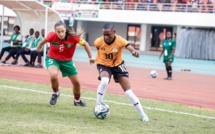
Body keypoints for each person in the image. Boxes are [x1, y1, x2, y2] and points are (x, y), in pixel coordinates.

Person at [94, 23, 149, 122]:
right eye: (104, 35)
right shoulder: (98, 42)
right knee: (105, 81)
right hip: (104, 64)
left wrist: (134, 52)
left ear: (114, 32)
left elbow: (129, 47)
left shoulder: (120, 40)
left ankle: (143, 114)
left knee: (128, 92)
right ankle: (98, 104)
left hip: (118, 65)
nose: (106, 37)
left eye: (108, 35)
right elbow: (98, 50)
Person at [37, 21, 95, 106]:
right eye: (58, 32)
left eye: (62, 31)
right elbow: (44, 41)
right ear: (55, 31)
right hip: (53, 59)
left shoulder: (73, 37)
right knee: (53, 75)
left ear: (65, 30)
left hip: (67, 61)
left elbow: (85, 44)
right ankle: (55, 93)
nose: (61, 34)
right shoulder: (51, 36)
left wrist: (91, 58)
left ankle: (77, 101)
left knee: (76, 83)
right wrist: (39, 45)